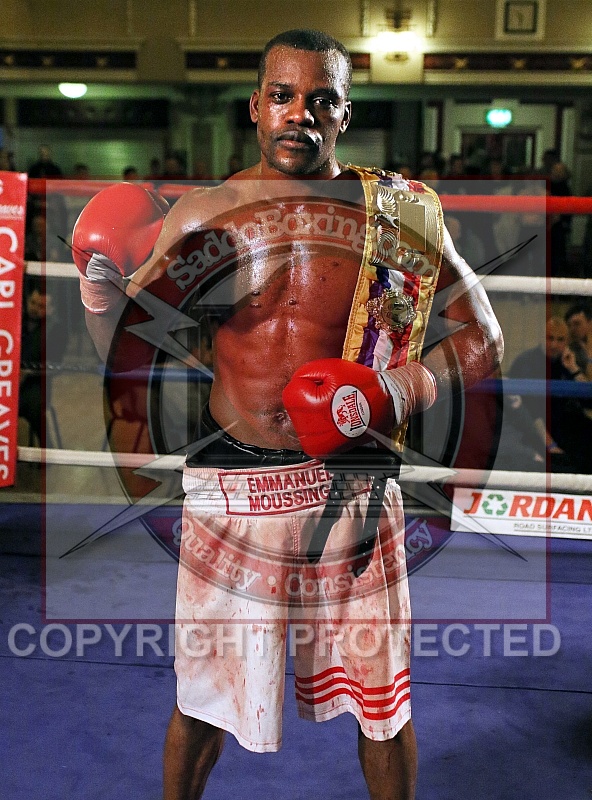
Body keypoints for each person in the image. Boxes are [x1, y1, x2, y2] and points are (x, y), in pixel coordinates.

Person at [71, 29, 503, 800]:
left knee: (382, 704)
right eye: (283, 96)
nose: (300, 113)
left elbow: (483, 338)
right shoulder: (204, 217)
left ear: (345, 114)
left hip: (353, 484)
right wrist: (102, 298)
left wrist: (396, 389)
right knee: (202, 701)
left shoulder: (395, 218)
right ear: (256, 106)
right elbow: (132, 360)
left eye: (321, 99)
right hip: (232, 489)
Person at [509, 317, 592, 473]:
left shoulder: (568, 361)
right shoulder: (526, 363)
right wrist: (551, 445)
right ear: (542, 338)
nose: (554, 344)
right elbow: (529, 411)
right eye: (550, 338)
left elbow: (588, 402)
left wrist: (574, 369)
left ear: (567, 342)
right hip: (535, 432)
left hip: (565, 428)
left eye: (560, 340)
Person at [19, 280, 67, 446]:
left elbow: (56, 366)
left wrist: (28, 373)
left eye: (41, 306)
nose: (34, 309)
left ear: (51, 309)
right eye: (32, 303)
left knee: (33, 405)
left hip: (36, 384)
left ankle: (46, 448)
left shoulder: (56, 330)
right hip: (9, 382)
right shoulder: (16, 321)